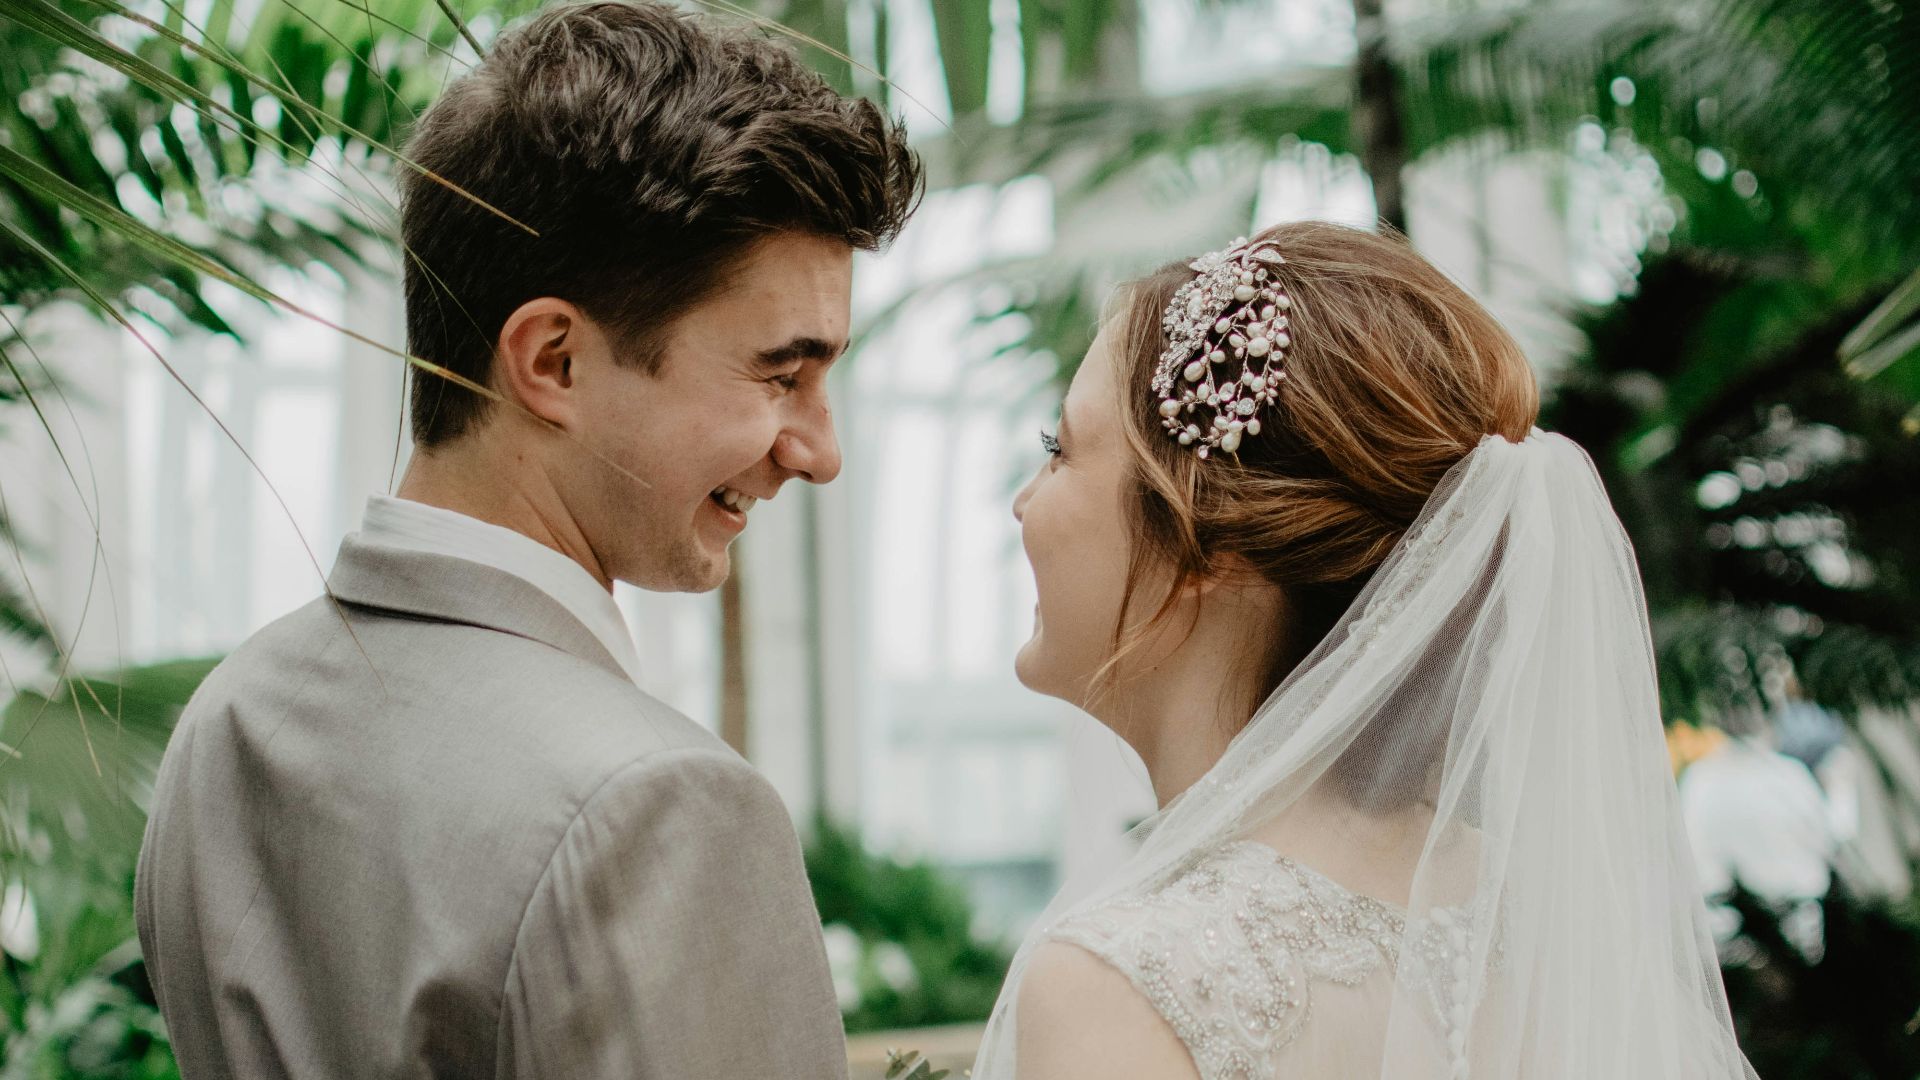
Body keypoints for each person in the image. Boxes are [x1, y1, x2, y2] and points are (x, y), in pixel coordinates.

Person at [134, 4, 921, 1077]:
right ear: (553, 361)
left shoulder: (230, 717)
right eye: (781, 374)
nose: (820, 453)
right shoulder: (654, 804)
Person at [977, 222, 1755, 1079]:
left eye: (1060, 451)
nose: (1023, 502)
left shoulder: (1123, 984)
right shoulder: (1555, 938)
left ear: (1207, 546)